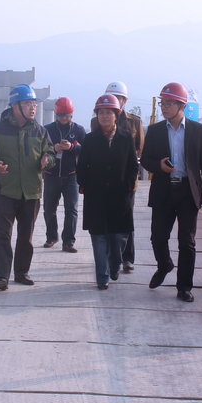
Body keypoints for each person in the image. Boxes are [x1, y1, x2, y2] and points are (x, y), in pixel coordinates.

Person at [140, 82, 202, 303]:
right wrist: (159, 166)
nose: (164, 107)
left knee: (186, 242)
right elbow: (145, 160)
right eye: (162, 103)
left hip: (187, 191)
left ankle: (184, 287)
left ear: (181, 106)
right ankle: (164, 265)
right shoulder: (154, 131)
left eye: (169, 103)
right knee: (157, 237)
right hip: (164, 190)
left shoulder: (198, 131)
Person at [0, 84, 55, 291]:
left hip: (31, 192)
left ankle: (22, 272)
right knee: (4, 235)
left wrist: (47, 160)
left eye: (34, 104)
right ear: (15, 106)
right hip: (5, 190)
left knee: (26, 236)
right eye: (27, 103)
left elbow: (50, 154)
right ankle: (2, 276)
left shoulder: (40, 131)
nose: (33, 107)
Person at [77, 94, 139, 289]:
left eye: (108, 112)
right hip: (96, 197)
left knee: (119, 237)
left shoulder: (126, 138)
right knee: (99, 238)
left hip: (120, 197)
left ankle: (115, 264)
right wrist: (85, 184)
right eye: (101, 113)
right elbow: (82, 167)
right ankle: (102, 277)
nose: (104, 116)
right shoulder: (90, 139)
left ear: (116, 115)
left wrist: (128, 186)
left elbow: (133, 166)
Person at [89, 81, 144, 273]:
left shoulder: (134, 121)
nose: (115, 100)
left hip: (126, 181)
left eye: (119, 98)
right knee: (104, 218)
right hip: (103, 181)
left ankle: (127, 258)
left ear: (124, 101)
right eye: (112, 96)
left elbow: (139, 147)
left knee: (125, 219)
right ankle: (107, 258)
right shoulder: (96, 121)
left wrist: (127, 176)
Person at [43, 97, 86, 252]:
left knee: (71, 210)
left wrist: (72, 148)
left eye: (66, 115)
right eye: (61, 115)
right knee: (49, 209)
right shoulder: (47, 129)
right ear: (56, 114)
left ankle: (68, 241)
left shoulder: (78, 130)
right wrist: (53, 148)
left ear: (71, 115)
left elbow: (87, 150)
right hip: (51, 174)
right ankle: (51, 237)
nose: (63, 118)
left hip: (71, 175)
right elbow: (40, 149)